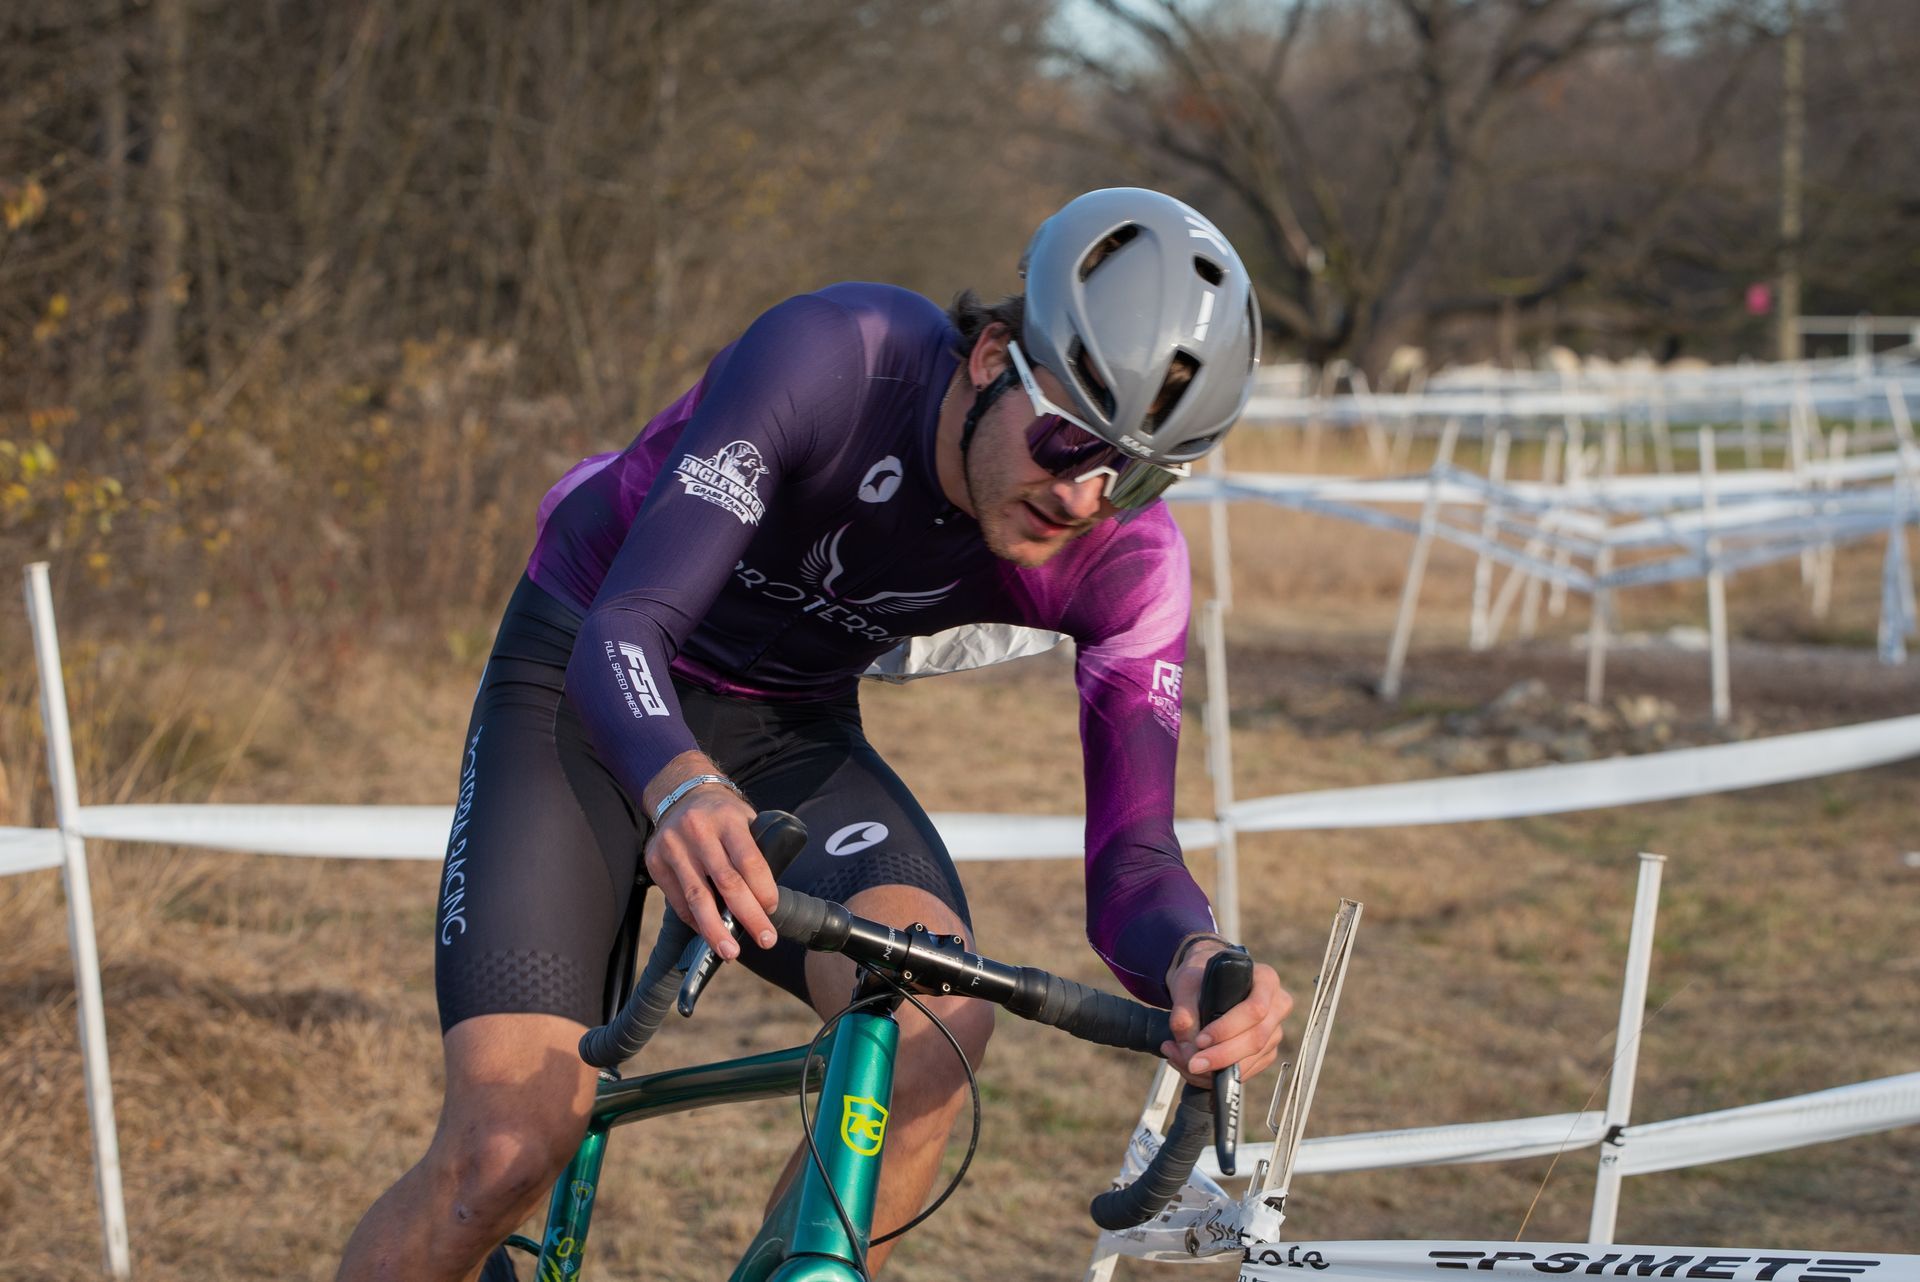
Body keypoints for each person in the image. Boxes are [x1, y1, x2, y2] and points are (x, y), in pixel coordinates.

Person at [336, 187, 1292, 1280]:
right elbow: (628, 629)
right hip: (587, 684)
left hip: (788, 721)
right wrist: (680, 789)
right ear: (989, 355)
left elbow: (1136, 855)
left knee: (937, 1033)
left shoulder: (1126, 561)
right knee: (504, 1152)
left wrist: (1194, 953)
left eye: (1135, 472)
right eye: (1069, 435)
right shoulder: (839, 357)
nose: (1082, 493)